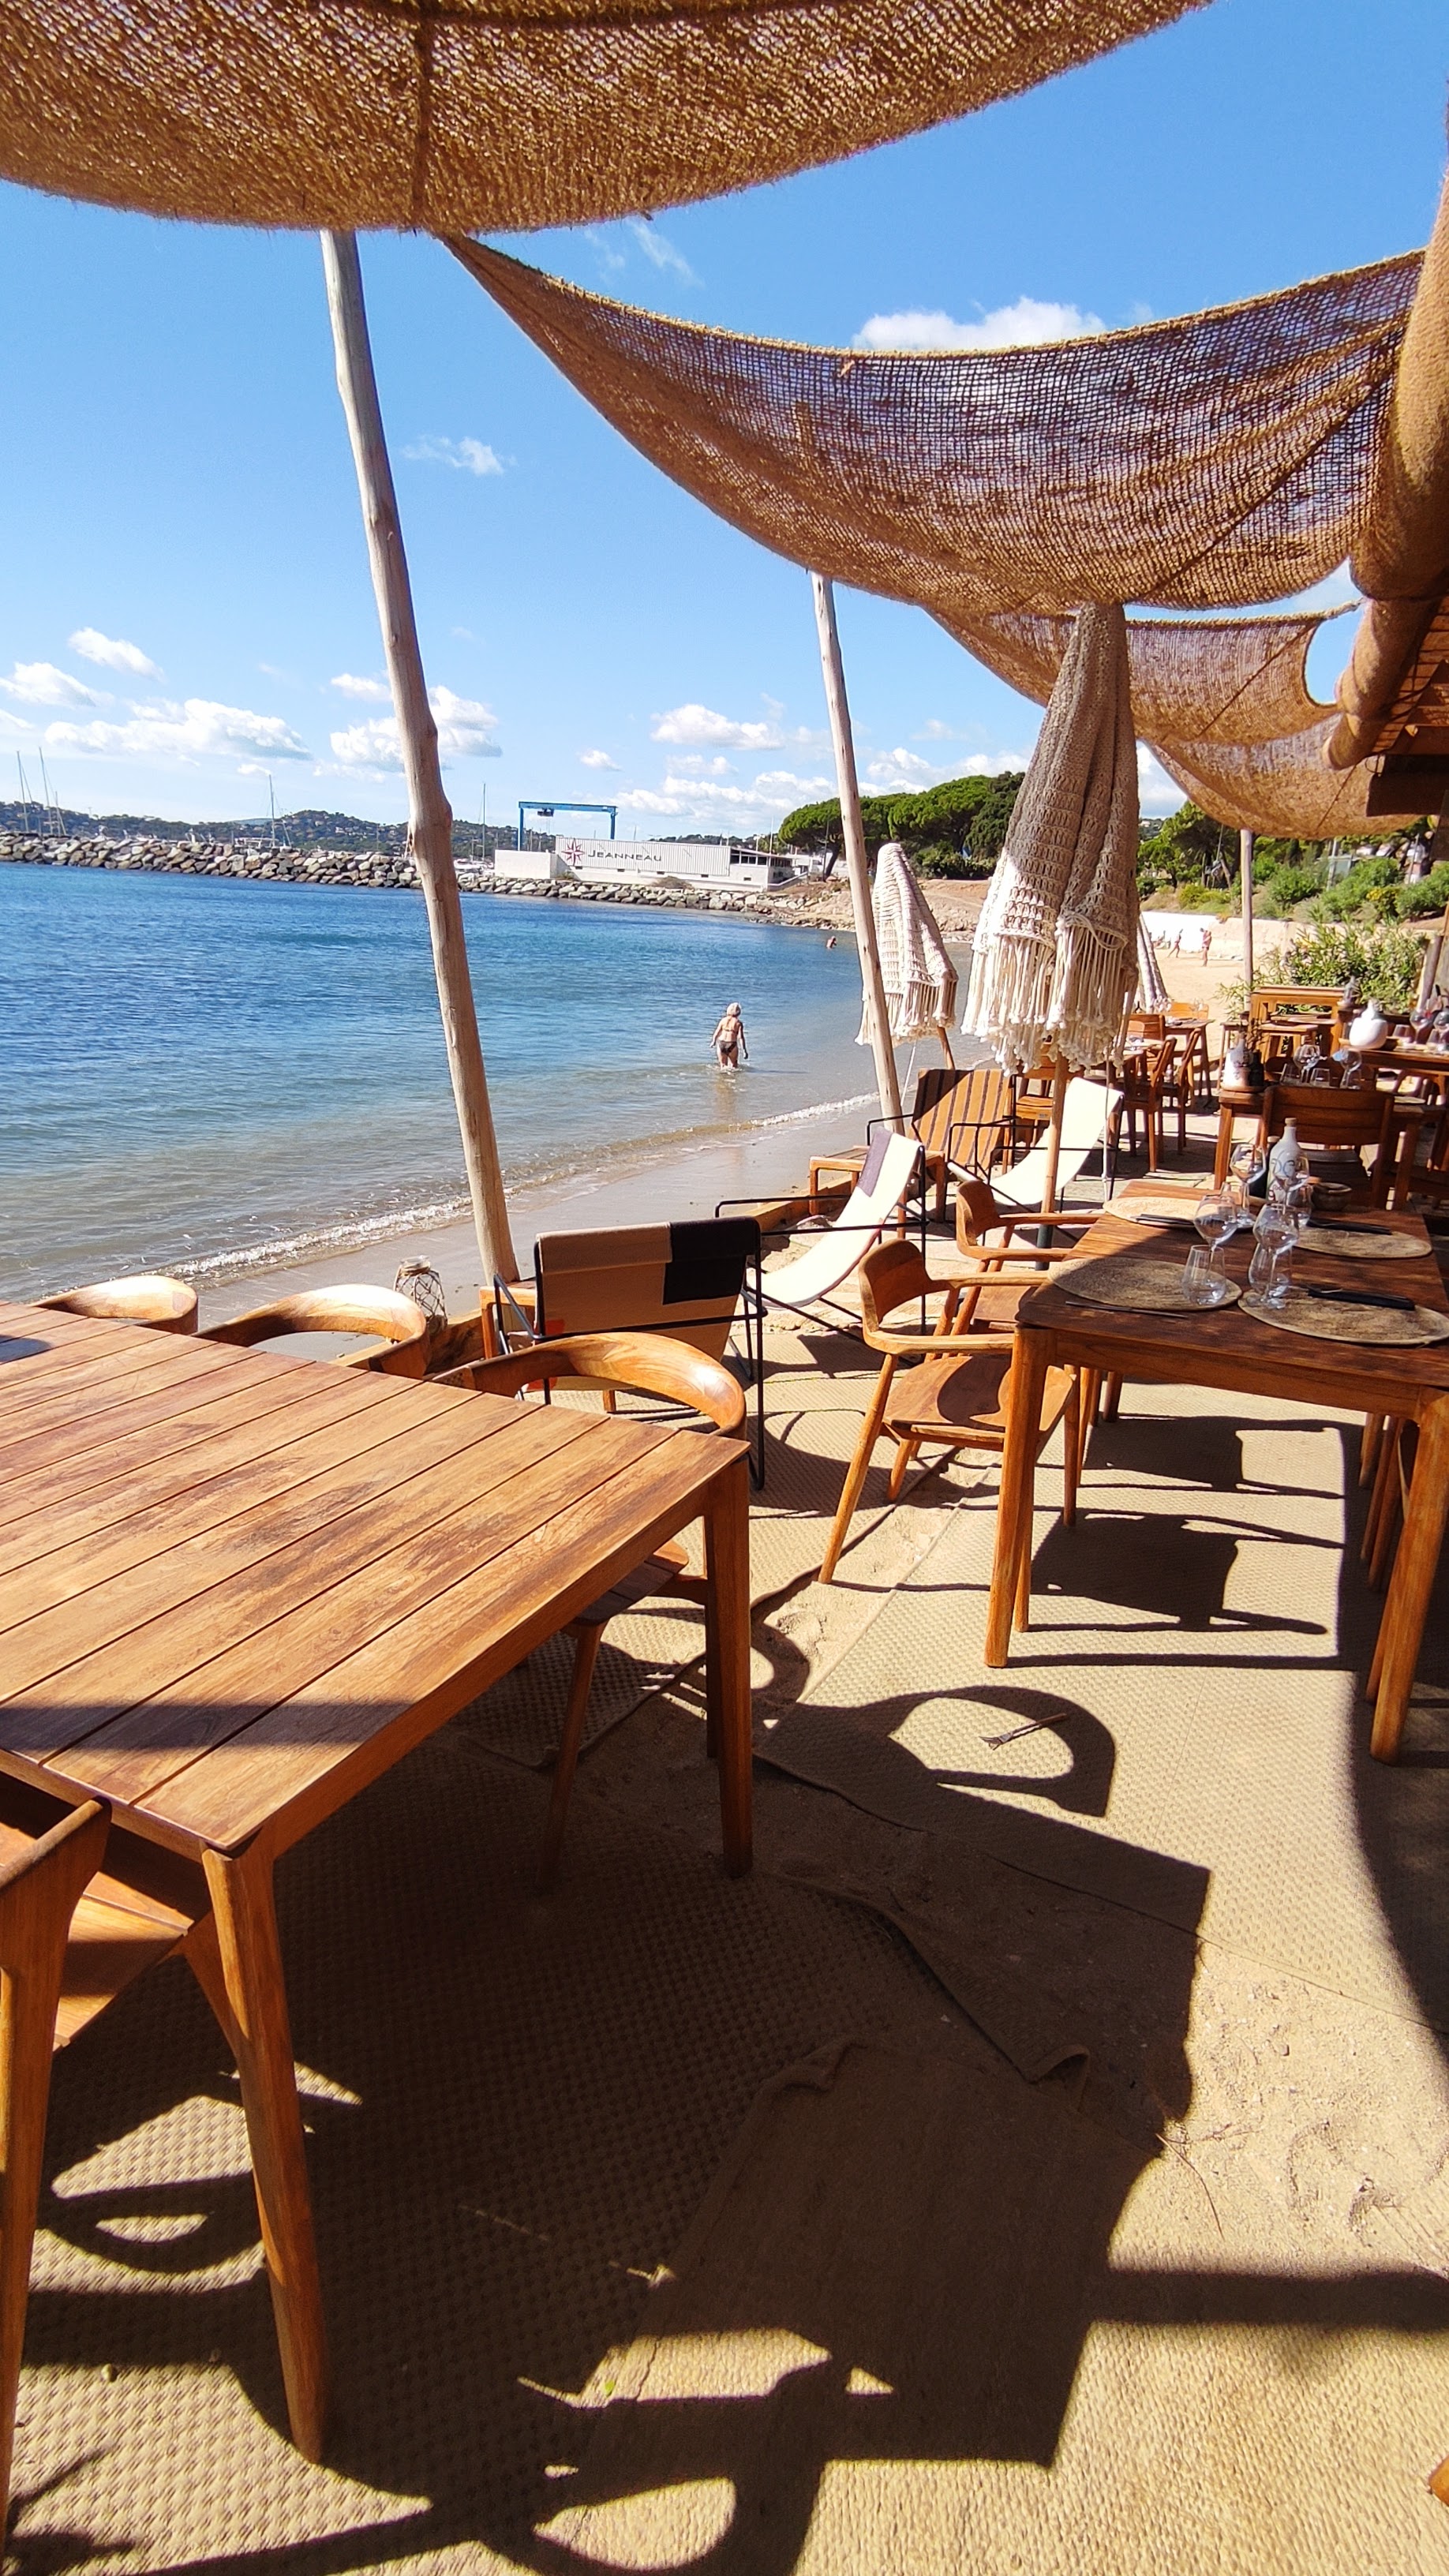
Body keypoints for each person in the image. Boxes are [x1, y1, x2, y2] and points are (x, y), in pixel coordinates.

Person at [712, 1002, 748, 1070]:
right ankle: (732, 1077)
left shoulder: (723, 1020)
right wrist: (744, 1050)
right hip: (732, 1044)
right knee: (734, 1066)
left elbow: (717, 1032)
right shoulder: (738, 1023)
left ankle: (723, 1077)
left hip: (721, 1043)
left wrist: (713, 1042)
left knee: (723, 1066)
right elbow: (741, 1037)